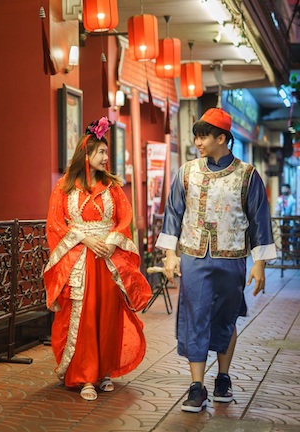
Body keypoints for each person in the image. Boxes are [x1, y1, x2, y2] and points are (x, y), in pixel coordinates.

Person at [155, 108, 277, 413]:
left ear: (222, 138)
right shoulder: (187, 172)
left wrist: (260, 263)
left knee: (226, 317)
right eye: (196, 136)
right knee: (194, 315)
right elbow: (173, 213)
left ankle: (223, 377)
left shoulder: (247, 175)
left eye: (203, 137)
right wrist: (170, 254)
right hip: (194, 256)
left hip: (231, 257)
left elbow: (259, 219)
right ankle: (197, 386)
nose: (197, 142)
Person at [43, 117, 152, 401]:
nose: (106, 158)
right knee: (84, 317)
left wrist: (111, 240)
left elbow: (124, 219)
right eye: (101, 152)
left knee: (107, 316)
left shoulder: (112, 186)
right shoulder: (64, 187)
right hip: (80, 261)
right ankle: (85, 376)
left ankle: (103, 372)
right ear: (86, 154)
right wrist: (85, 238)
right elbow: (55, 224)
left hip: (107, 259)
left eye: (106, 152)